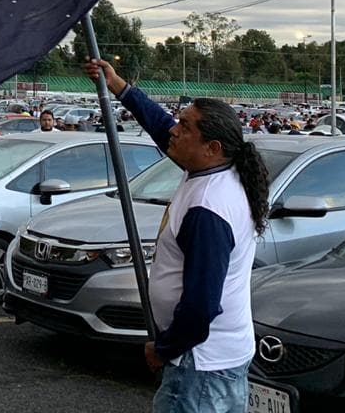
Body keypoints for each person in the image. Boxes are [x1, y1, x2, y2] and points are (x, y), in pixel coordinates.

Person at [84, 58, 267, 413]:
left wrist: (164, 348)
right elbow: (160, 126)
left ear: (211, 147)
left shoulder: (208, 208)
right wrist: (119, 85)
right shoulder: (213, 170)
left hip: (200, 365)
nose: (174, 130)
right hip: (215, 359)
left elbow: (200, 308)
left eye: (185, 127)